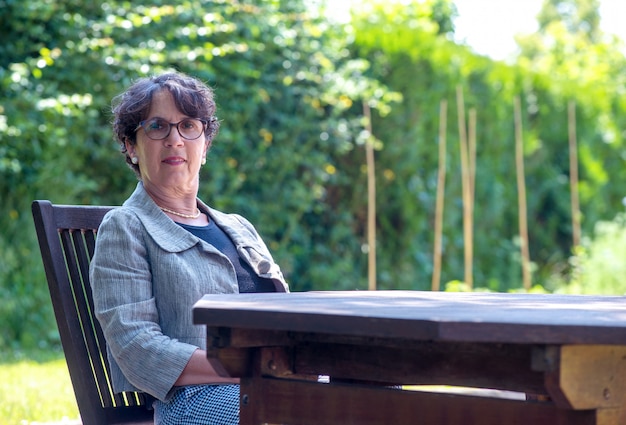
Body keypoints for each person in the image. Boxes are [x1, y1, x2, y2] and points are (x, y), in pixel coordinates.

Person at [90, 71, 289, 425]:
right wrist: (245, 368)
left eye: (188, 126)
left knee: (380, 395)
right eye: (157, 127)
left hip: (271, 384)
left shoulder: (239, 226)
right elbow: (136, 347)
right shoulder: (126, 227)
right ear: (131, 147)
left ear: (205, 144)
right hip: (193, 400)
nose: (175, 140)